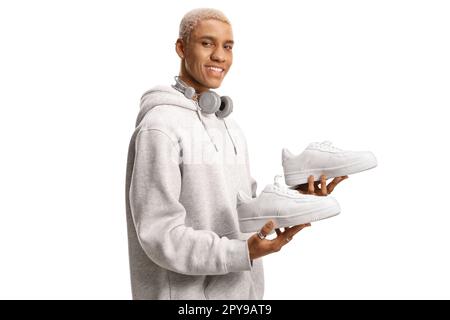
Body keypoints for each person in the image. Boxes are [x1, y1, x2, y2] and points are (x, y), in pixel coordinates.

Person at [125, 8, 346, 300]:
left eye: (227, 46)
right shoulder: (160, 126)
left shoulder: (229, 126)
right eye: (207, 43)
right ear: (181, 47)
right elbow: (159, 234)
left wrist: (298, 200)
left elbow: (245, 212)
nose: (220, 55)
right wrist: (239, 252)